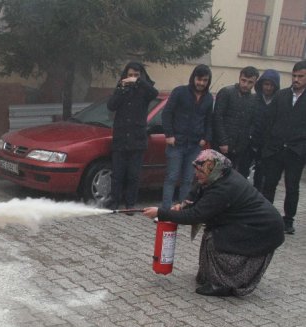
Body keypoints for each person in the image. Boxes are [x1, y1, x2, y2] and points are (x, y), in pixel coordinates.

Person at [142, 150, 284, 297]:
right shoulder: (218, 175)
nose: (197, 175)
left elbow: (195, 216)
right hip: (250, 223)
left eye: (201, 172)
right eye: (197, 171)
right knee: (212, 232)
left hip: (263, 229)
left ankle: (222, 284)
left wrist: (161, 212)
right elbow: (196, 191)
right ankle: (211, 276)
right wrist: (182, 205)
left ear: (212, 170)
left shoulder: (224, 187)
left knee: (217, 238)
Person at [259, 60, 306, 235]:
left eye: (300, 76)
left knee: (292, 186)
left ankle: (288, 220)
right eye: (294, 75)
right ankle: (266, 216)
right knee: (269, 184)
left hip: (296, 151)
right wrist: (266, 146)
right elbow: (268, 122)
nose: (296, 79)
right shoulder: (281, 96)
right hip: (275, 149)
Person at [106, 61, 159, 212]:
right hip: (121, 138)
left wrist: (139, 81)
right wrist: (121, 89)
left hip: (137, 139)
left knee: (133, 175)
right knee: (117, 174)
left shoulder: (144, 90)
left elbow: (154, 93)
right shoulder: (121, 88)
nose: (132, 78)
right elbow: (111, 105)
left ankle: (130, 204)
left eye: (136, 75)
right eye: (130, 75)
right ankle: (114, 202)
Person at [161, 64, 214, 210]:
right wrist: (169, 135)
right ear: (193, 78)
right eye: (199, 79)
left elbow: (209, 120)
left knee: (188, 180)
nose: (201, 83)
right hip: (176, 143)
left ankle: (183, 212)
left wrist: (206, 137)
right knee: (171, 178)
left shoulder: (209, 98)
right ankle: (165, 211)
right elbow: (167, 114)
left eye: (205, 80)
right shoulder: (180, 92)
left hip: (195, 145)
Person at [213, 66, 259, 178]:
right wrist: (223, 141)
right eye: (243, 80)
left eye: (250, 82)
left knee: (230, 179)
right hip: (221, 145)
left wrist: (247, 139)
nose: (245, 85)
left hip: (239, 148)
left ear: (254, 83)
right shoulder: (226, 92)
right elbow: (217, 118)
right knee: (215, 178)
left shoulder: (254, 99)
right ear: (239, 78)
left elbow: (252, 122)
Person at [249, 69, 280, 191]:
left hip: (267, 145)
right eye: (266, 84)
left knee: (261, 177)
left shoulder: (278, 102)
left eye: (271, 85)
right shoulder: (254, 100)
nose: (268, 88)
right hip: (250, 143)